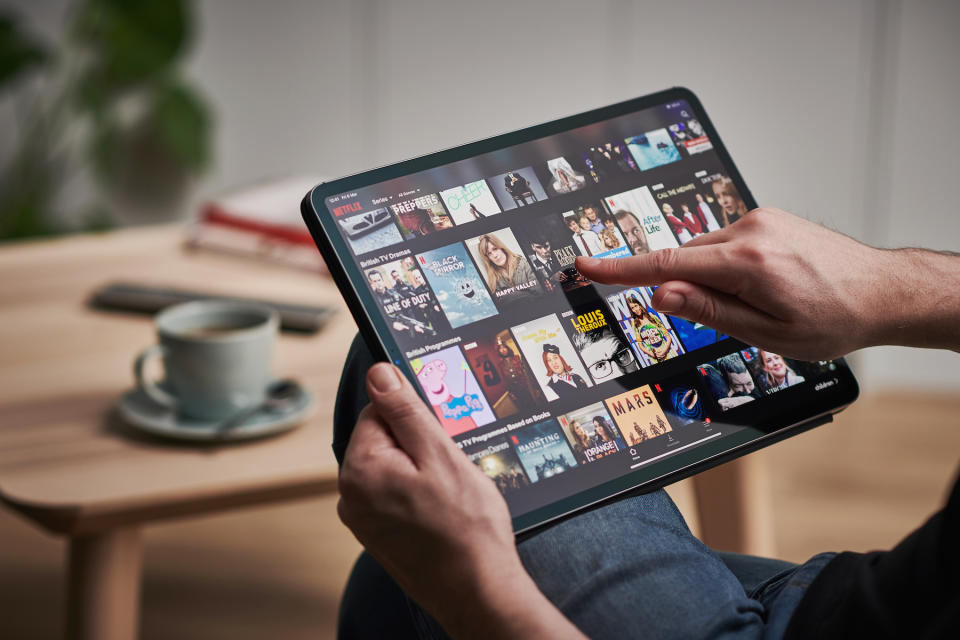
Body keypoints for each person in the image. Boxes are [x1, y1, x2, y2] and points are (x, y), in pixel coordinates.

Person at [334, 207, 960, 639]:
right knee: (387, 584)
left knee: (403, 374)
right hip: (865, 602)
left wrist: (475, 593)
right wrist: (886, 286)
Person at [475, 234, 543, 303]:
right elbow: (499, 303)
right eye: (489, 253)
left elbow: (539, 293)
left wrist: (509, 295)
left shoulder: (524, 264)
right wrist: (526, 293)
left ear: (501, 247)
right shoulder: (494, 278)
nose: (494, 255)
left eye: (495, 249)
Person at [626, 293, 679, 362]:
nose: (635, 309)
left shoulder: (652, 317)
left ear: (640, 305)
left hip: (668, 353)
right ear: (631, 311)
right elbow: (640, 345)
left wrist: (664, 351)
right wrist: (652, 355)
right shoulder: (635, 323)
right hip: (655, 358)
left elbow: (668, 336)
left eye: (636, 306)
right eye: (632, 308)